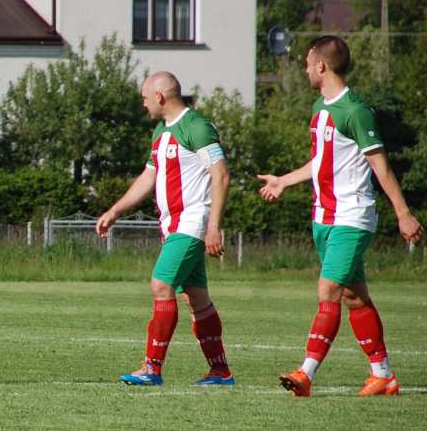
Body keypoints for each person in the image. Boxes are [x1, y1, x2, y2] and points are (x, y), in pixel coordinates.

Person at [258, 35, 424, 397]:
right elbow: (322, 163)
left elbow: (380, 167)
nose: (303, 69)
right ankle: (383, 376)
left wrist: (403, 213)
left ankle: (306, 374)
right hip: (325, 218)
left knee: (328, 288)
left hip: (353, 215)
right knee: (353, 295)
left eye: (306, 62)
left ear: (321, 65)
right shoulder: (320, 108)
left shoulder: (356, 111)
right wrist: (284, 180)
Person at [96, 71, 234, 386]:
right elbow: (149, 177)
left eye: (145, 98)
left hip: (193, 222)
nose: (143, 105)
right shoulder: (161, 131)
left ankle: (152, 368)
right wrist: (115, 210)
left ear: (159, 96)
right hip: (173, 226)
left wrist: (213, 226)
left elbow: (221, 175)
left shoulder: (195, 127)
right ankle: (220, 371)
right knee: (196, 298)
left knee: (161, 285)